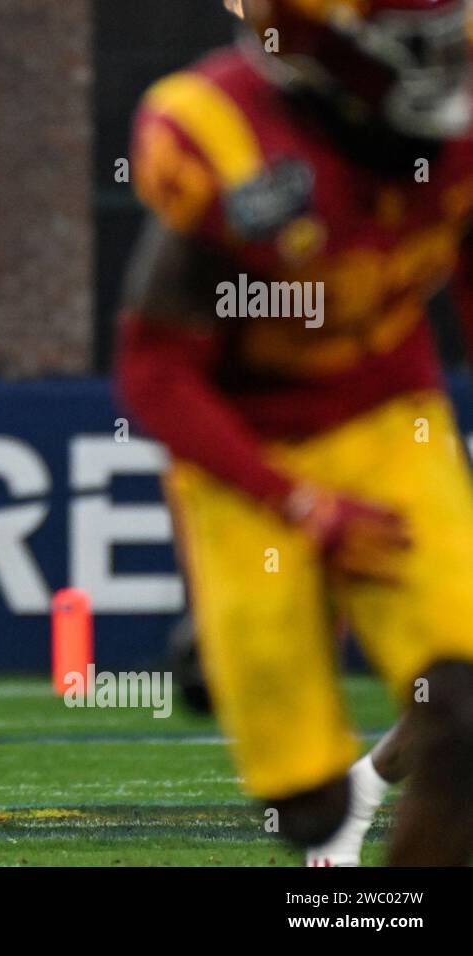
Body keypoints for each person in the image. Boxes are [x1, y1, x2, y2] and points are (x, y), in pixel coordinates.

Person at [115, 0, 473, 865]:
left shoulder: (456, 138)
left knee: (465, 719)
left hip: (391, 419)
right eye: (421, 43)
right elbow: (155, 372)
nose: (452, 57)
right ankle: (234, 629)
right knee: (305, 813)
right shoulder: (225, 138)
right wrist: (300, 505)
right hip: (252, 451)